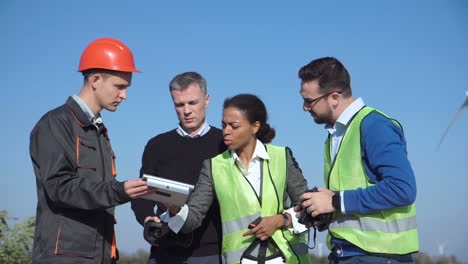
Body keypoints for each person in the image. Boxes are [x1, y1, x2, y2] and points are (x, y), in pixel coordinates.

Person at [29, 38, 155, 264]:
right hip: (65, 258)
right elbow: (59, 187)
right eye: (120, 86)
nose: (124, 95)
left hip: (100, 255)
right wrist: (119, 191)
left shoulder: (99, 131)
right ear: (95, 80)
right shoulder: (55, 124)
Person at [296, 57, 419, 263]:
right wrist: (321, 209)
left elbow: (402, 189)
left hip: (377, 256)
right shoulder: (335, 135)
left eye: (309, 101)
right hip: (346, 254)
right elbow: (348, 198)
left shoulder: (375, 126)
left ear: (334, 97)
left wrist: (334, 201)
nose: (305, 108)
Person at [166, 94, 312, 264]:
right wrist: (175, 208)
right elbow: (192, 220)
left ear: (255, 127)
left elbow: (308, 207)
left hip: (286, 258)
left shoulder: (282, 156)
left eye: (234, 126)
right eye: (224, 125)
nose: (226, 131)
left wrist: (280, 220)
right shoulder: (213, 167)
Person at [131, 72, 227, 264]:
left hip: (213, 253)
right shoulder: (156, 145)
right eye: (179, 104)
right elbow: (142, 193)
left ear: (206, 100)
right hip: (165, 251)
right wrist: (148, 219)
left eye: (192, 103)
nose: (187, 111)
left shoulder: (225, 144)